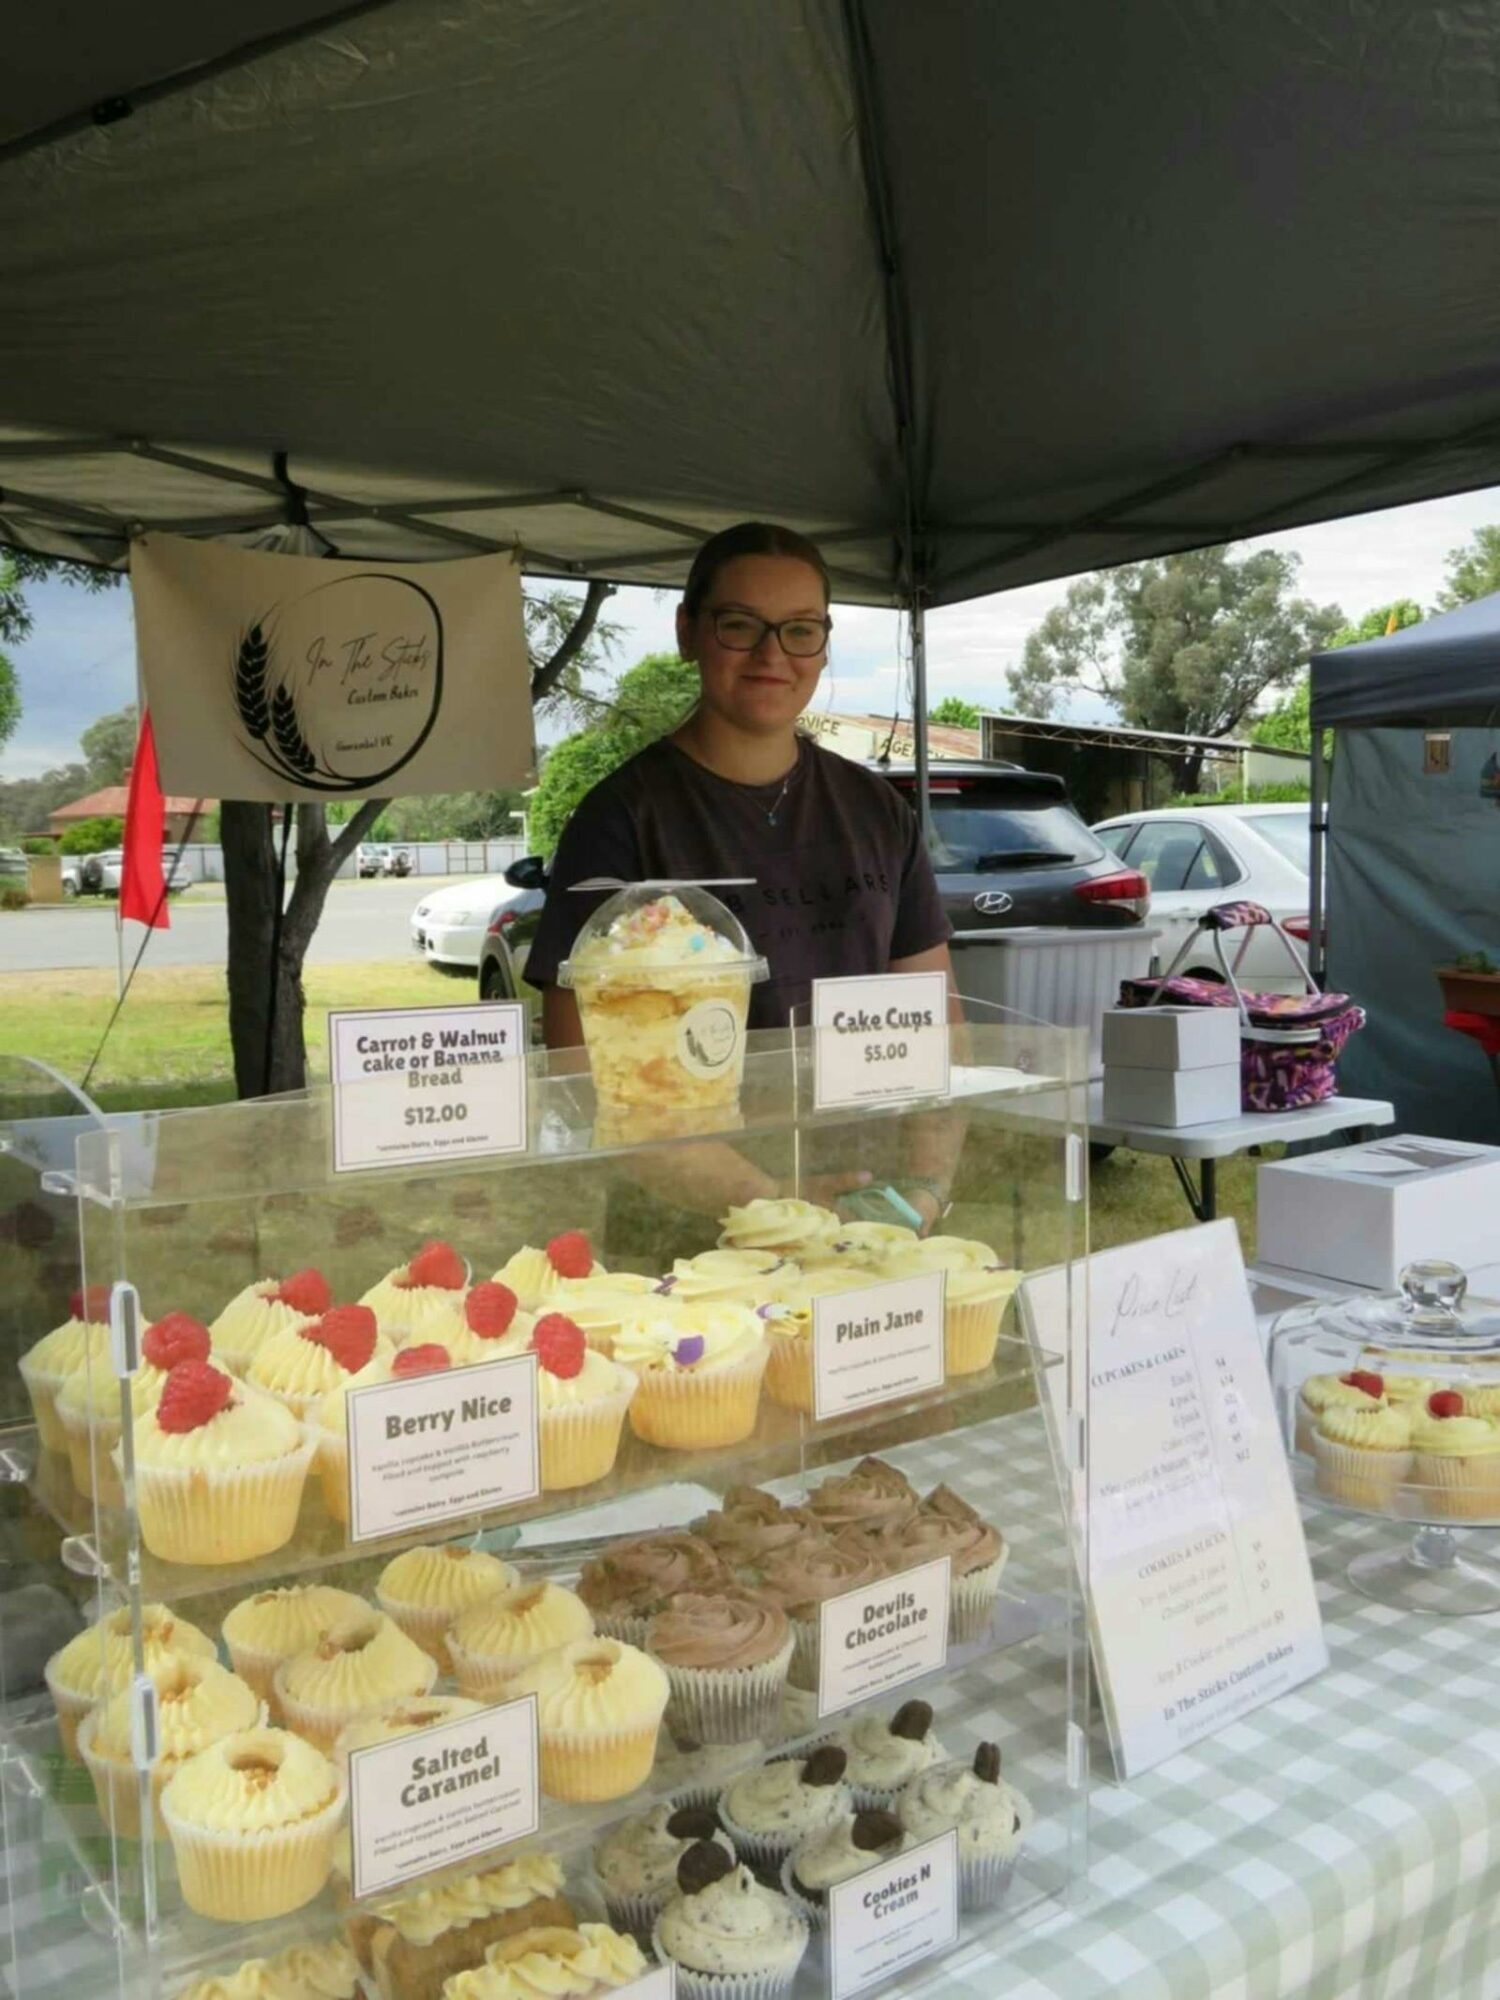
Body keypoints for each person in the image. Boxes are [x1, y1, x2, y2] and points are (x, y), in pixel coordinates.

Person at [523, 521, 961, 1236]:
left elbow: (938, 1016)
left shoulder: (878, 810)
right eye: (739, 625)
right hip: (694, 1249)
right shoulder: (621, 820)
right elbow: (586, 1067)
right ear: (687, 631)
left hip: (871, 1220)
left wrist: (927, 1191)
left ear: (823, 643)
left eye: (798, 631)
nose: (771, 655)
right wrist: (774, 1204)